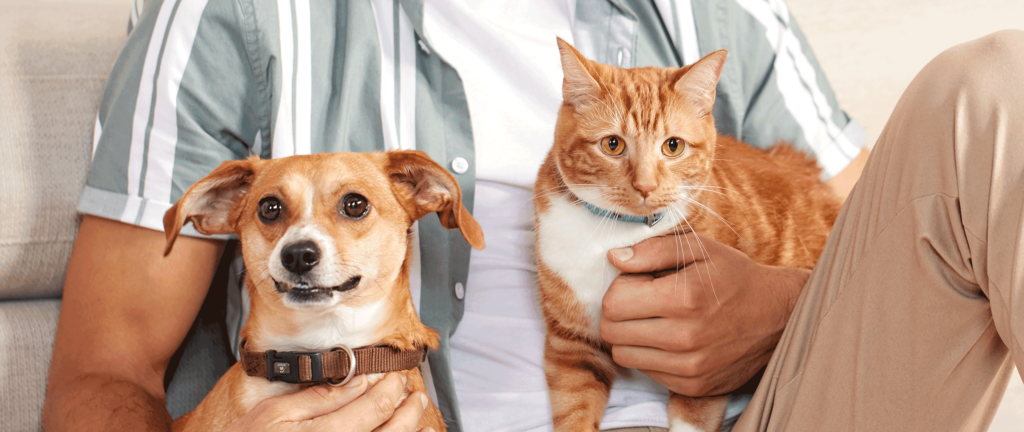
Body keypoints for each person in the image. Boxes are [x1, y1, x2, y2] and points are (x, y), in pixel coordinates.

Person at [55, 0, 1024, 431]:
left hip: (767, 418)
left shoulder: (718, 15)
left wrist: (779, 310)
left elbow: (897, 257)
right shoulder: (236, 16)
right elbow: (103, 373)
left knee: (999, 86)